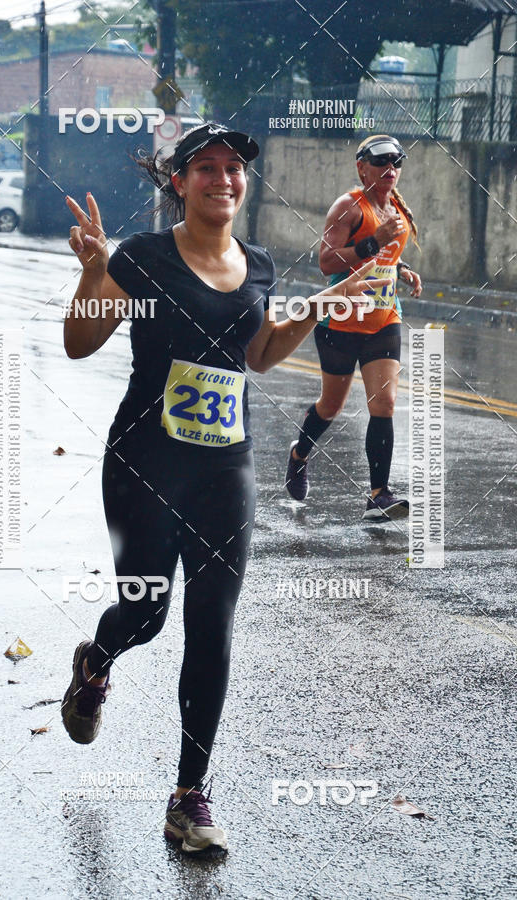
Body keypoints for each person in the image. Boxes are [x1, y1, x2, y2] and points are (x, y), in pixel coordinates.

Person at [60, 123, 391, 854]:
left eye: (233, 168)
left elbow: (262, 355)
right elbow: (80, 343)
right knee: (147, 615)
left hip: (224, 466)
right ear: (178, 182)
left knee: (212, 623)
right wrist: (92, 271)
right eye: (205, 168)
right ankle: (95, 662)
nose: (222, 179)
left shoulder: (260, 264)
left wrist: (321, 304)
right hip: (146, 461)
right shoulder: (143, 259)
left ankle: (189, 797)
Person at [285, 134, 422, 520]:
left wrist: (404, 271)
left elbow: (384, 258)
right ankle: (299, 454)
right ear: (362, 167)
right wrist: (371, 242)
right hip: (340, 320)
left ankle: (378, 494)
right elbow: (327, 262)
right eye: (380, 163)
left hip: (384, 320)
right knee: (331, 405)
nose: (390, 170)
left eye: (396, 163)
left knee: (385, 404)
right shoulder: (349, 207)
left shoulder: (395, 207)